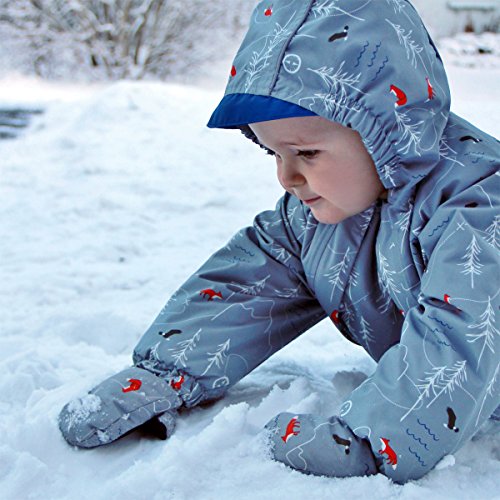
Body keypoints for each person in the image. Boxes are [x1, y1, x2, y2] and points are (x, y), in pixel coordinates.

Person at [58, 0, 500, 484]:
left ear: (388, 132)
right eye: (274, 153)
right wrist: (165, 375)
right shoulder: (325, 213)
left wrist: (376, 440)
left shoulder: (480, 208)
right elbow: (251, 282)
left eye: (306, 152)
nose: (286, 177)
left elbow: (464, 336)